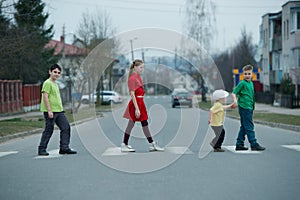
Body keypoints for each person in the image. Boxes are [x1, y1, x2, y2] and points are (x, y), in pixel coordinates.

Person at [121, 59, 164, 152]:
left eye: (143, 67)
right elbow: (132, 94)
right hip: (136, 104)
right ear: (135, 67)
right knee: (133, 124)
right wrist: (137, 108)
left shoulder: (138, 77)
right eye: (141, 67)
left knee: (143, 123)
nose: (142, 69)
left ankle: (150, 144)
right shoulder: (132, 78)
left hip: (141, 103)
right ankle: (125, 144)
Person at [38, 64, 77, 156]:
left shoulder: (55, 83)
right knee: (49, 130)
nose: (57, 74)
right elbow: (45, 97)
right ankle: (42, 149)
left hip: (59, 111)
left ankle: (64, 148)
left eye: (59, 73)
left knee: (66, 127)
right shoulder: (47, 83)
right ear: (50, 72)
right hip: (51, 111)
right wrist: (49, 111)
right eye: (55, 72)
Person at [232, 64, 265, 151]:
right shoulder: (242, 83)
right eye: (245, 74)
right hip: (244, 107)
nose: (247, 75)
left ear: (252, 74)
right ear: (243, 74)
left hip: (249, 107)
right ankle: (254, 144)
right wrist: (235, 101)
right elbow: (234, 92)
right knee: (249, 126)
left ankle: (239, 144)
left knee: (244, 126)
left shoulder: (251, 83)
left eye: (249, 74)